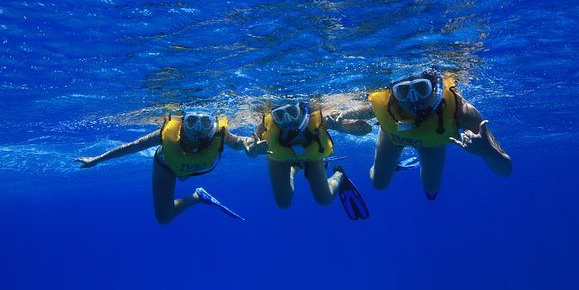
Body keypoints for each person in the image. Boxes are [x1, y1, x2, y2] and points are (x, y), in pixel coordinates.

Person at [325, 70, 512, 200]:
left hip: (432, 141)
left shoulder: (461, 111)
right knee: (378, 183)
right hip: (394, 137)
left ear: (436, 88)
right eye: (403, 91)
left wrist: (487, 151)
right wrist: (341, 117)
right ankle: (394, 167)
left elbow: (506, 170)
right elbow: (366, 108)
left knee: (431, 189)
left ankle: (396, 166)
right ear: (392, 93)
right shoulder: (387, 104)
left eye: (422, 89)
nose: (414, 99)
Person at [75, 111, 267, 224]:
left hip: (188, 167)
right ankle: (198, 197)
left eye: (205, 122)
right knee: (163, 218)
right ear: (183, 123)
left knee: (183, 177)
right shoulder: (165, 134)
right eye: (192, 121)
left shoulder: (221, 135)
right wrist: (97, 159)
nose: (198, 128)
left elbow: (244, 144)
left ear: (213, 124)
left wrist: (253, 150)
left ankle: (194, 189)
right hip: (166, 165)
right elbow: (132, 147)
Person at [253, 100, 370, 219]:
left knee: (324, 198)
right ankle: (295, 167)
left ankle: (339, 174)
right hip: (281, 156)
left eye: (293, 112)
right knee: (283, 202)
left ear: (303, 111)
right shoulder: (266, 126)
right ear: (273, 117)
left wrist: (341, 126)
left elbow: (366, 129)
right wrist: (254, 149)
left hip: (311, 154)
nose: (287, 119)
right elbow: (250, 149)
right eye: (279, 115)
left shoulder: (319, 119)